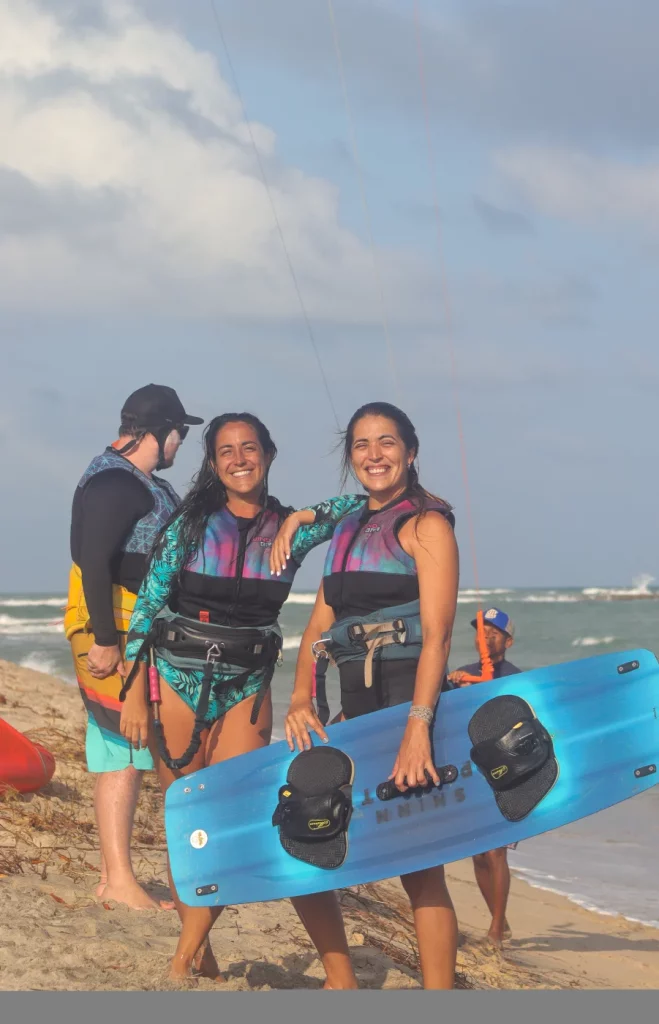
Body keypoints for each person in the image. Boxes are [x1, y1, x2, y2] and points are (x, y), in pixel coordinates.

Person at [120, 412, 364, 986]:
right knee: (187, 825)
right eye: (226, 451)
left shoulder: (290, 530)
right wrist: (134, 694)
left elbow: (361, 506)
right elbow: (149, 602)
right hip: (176, 675)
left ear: (268, 455)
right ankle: (200, 951)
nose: (238, 459)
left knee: (230, 817)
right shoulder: (190, 524)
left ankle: (185, 953)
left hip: (246, 686)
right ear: (213, 462)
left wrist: (305, 514)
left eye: (249, 448)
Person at [284, 401, 460, 990]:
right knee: (308, 840)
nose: (375, 455)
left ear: (410, 452)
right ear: (350, 458)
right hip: (353, 710)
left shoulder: (426, 525)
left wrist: (418, 727)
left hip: (407, 702)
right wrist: (300, 698)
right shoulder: (344, 530)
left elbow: (437, 635)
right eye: (362, 445)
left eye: (387, 443)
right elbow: (316, 629)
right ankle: (343, 981)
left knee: (420, 868)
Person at [63, 384, 203, 909]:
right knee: (124, 748)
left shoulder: (137, 479)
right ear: (160, 431)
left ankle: (112, 877)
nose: (180, 444)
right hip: (114, 629)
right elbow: (94, 560)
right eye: (180, 434)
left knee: (117, 747)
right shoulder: (116, 483)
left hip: (131, 629)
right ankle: (120, 881)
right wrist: (103, 640)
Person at [447, 607, 521, 946]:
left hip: (508, 774)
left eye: (493, 632)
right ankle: (501, 921)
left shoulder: (515, 677)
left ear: (508, 640)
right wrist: (450, 687)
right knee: (478, 853)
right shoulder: (462, 675)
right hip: (474, 772)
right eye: (481, 631)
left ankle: (494, 931)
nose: (485, 637)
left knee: (496, 852)